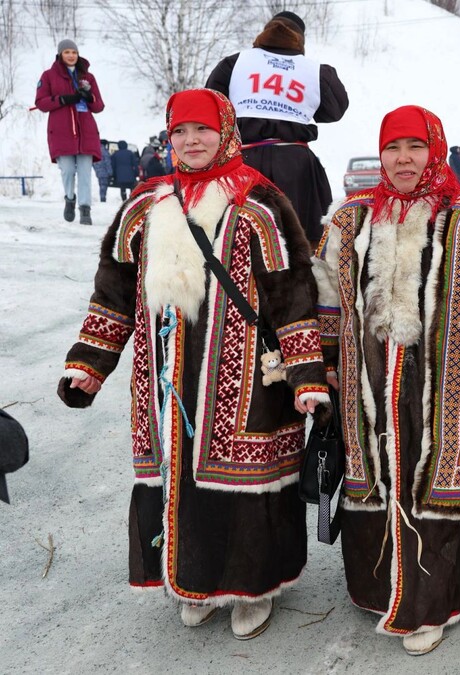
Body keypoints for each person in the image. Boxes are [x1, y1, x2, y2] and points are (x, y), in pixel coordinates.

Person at [57, 89, 329, 640]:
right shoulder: (144, 204)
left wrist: (306, 376)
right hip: (164, 380)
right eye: (180, 131)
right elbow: (113, 292)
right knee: (179, 479)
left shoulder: (260, 203)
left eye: (202, 130)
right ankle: (197, 581)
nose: (191, 141)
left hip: (249, 377)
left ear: (225, 131)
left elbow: (292, 294)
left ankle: (255, 588)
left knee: (248, 485)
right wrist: (90, 363)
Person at [312, 105, 460, 656]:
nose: (403, 159)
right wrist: (323, 363)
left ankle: (434, 604)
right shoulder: (351, 219)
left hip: (449, 377)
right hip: (369, 379)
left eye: (415, 147)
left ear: (435, 150)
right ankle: (380, 589)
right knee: (381, 473)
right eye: (393, 148)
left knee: (431, 475)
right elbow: (325, 293)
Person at [206, 11, 350, 243]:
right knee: (301, 244)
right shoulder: (315, 71)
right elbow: (334, 111)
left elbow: (212, 106)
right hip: (298, 169)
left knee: (237, 242)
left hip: (242, 165)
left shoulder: (234, 64)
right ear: (300, 39)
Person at [35, 39, 104, 225]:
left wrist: (89, 97)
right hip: (61, 131)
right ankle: (69, 198)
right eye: (67, 52)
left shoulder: (88, 77)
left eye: (73, 52)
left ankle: (85, 209)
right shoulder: (48, 76)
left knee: (84, 172)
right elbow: (41, 103)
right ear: (60, 55)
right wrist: (64, 99)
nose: (71, 55)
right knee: (66, 170)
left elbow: (99, 106)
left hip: (86, 131)